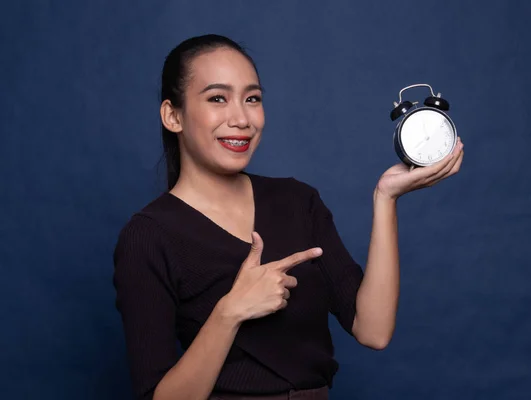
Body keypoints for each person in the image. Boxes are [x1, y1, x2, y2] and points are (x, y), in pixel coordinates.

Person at [112, 34, 464, 400]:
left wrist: (385, 198)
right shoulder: (148, 236)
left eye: (253, 99)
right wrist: (230, 312)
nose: (241, 118)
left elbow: (373, 330)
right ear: (173, 115)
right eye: (217, 98)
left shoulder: (298, 201)